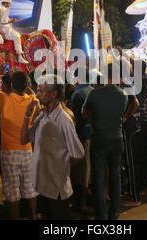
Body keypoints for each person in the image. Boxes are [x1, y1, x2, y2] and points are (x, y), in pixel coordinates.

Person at [21, 75, 84, 220]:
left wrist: (60, 168)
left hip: (57, 189)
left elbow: (78, 154)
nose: (37, 95)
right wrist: (26, 116)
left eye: (41, 91)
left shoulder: (63, 120)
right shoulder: (42, 116)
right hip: (43, 186)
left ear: (53, 94)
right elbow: (24, 139)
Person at [0, 67, 39, 220]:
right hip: (27, 150)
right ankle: (33, 216)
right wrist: (24, 83)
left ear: (11, 86)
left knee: (12, 192)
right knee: (30, 188)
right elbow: (32, 93)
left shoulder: (5, 99)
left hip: (9, 151)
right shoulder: (32, 101)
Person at [82, 63, 128, 220]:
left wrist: (95, 114)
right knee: (115, 176)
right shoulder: (123, 95)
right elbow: (121, 113)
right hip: (117, 138)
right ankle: (114, 212)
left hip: (99, 139)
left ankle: (101, 215)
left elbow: (84, 113)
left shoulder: (94, 94)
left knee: (99, 178)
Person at [70, 69, 93, 212]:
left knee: (82, 171)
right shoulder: (93, 91)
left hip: (82, 134)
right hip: (92, 133)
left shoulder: (77, 93)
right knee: (89, 170)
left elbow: (75, 118)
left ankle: (81, 204)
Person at [0, 0, 29, 64]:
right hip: (5, 30)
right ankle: (19, 56)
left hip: (1, 29)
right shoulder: (5, 10)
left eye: (9, 3)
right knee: (17, 37)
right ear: (4, 3)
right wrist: (11, 21)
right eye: (7, 3)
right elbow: (3, 22)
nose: (8, 5)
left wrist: (13, 20)